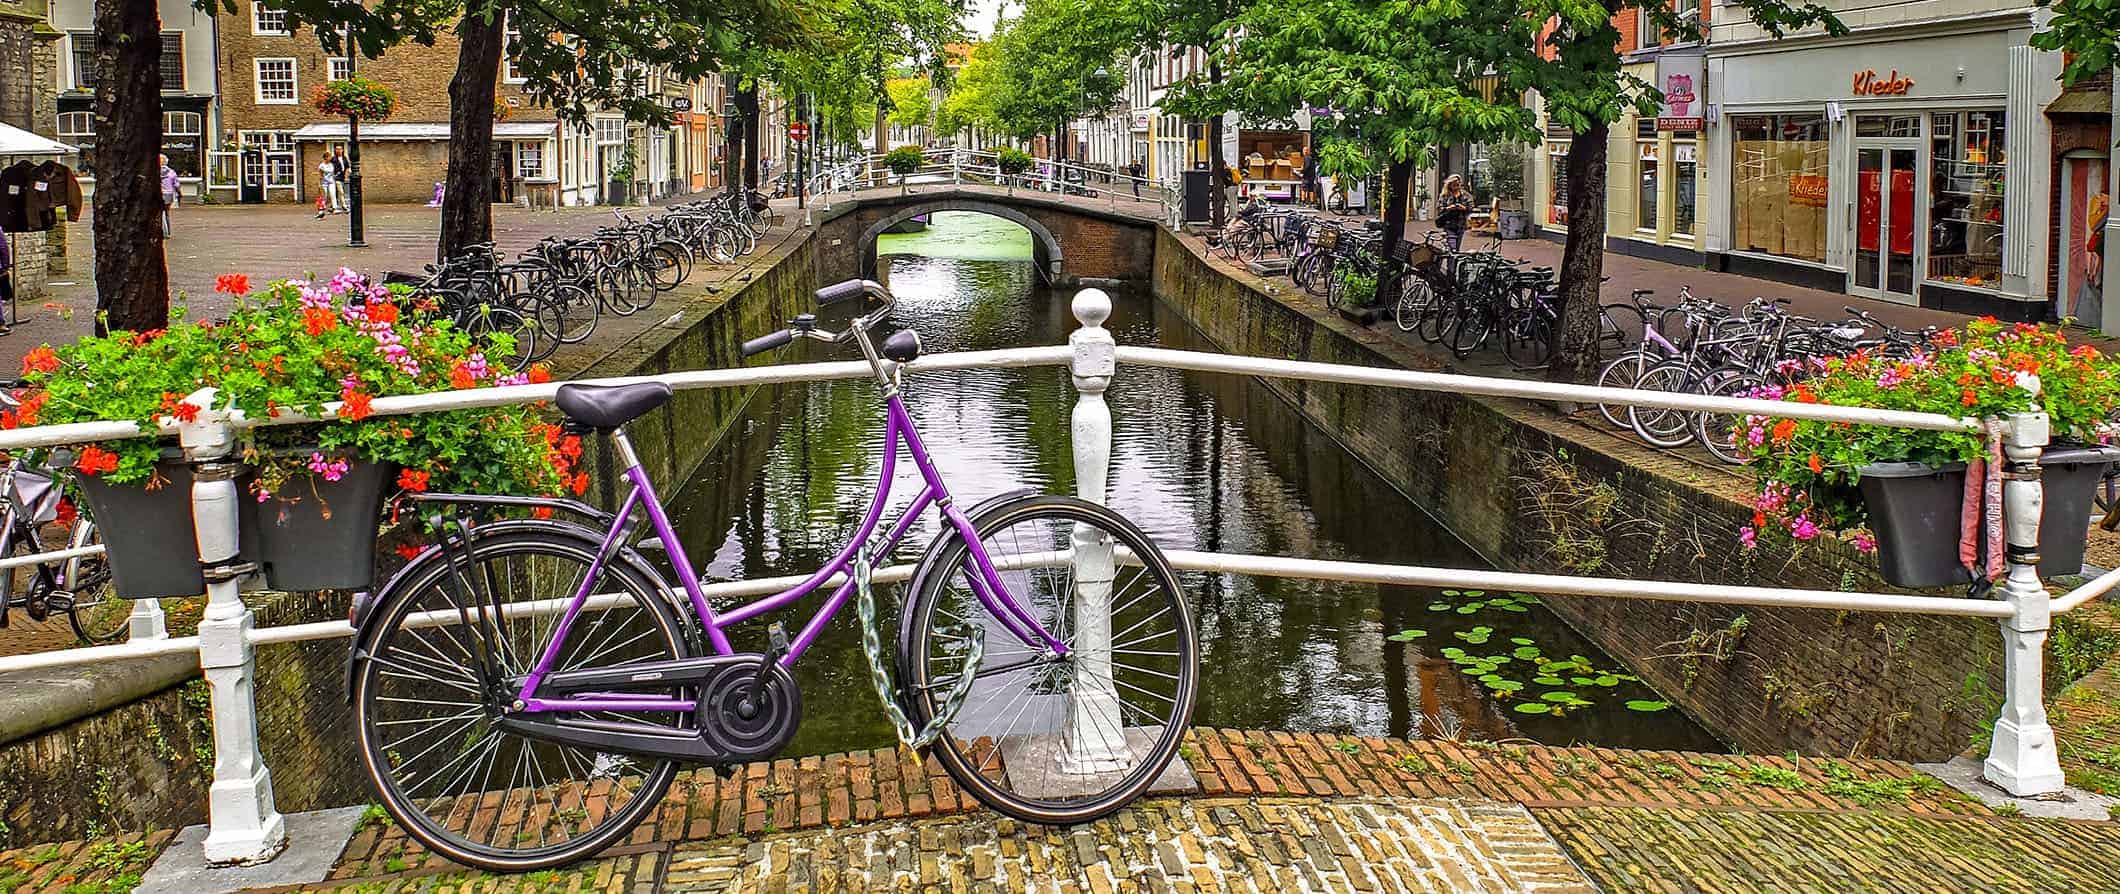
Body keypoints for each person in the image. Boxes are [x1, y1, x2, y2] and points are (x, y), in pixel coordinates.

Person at [1435, 174, 1476, 252]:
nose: (1456, 187)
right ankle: (1451, 263)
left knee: (1456, 249)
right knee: (1452, 248)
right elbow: (1439, 209)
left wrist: (1464, 208)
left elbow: (1471, 207)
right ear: (1449, 185)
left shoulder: (1465, 195)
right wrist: (1449, 208)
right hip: (1448, 224)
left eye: (1458, 184)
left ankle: (1452, 264)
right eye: (1454, 185)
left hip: (1461, 225)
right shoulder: (1445, 195)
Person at [158, 154, 179, 236]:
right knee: (166, 213)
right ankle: (168, 232)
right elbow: (176, 184)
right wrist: (178, 193)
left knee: (158, 213)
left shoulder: (153, 172)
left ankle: (161, 232)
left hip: (159, 194)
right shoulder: (171, 172)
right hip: (169, 195)